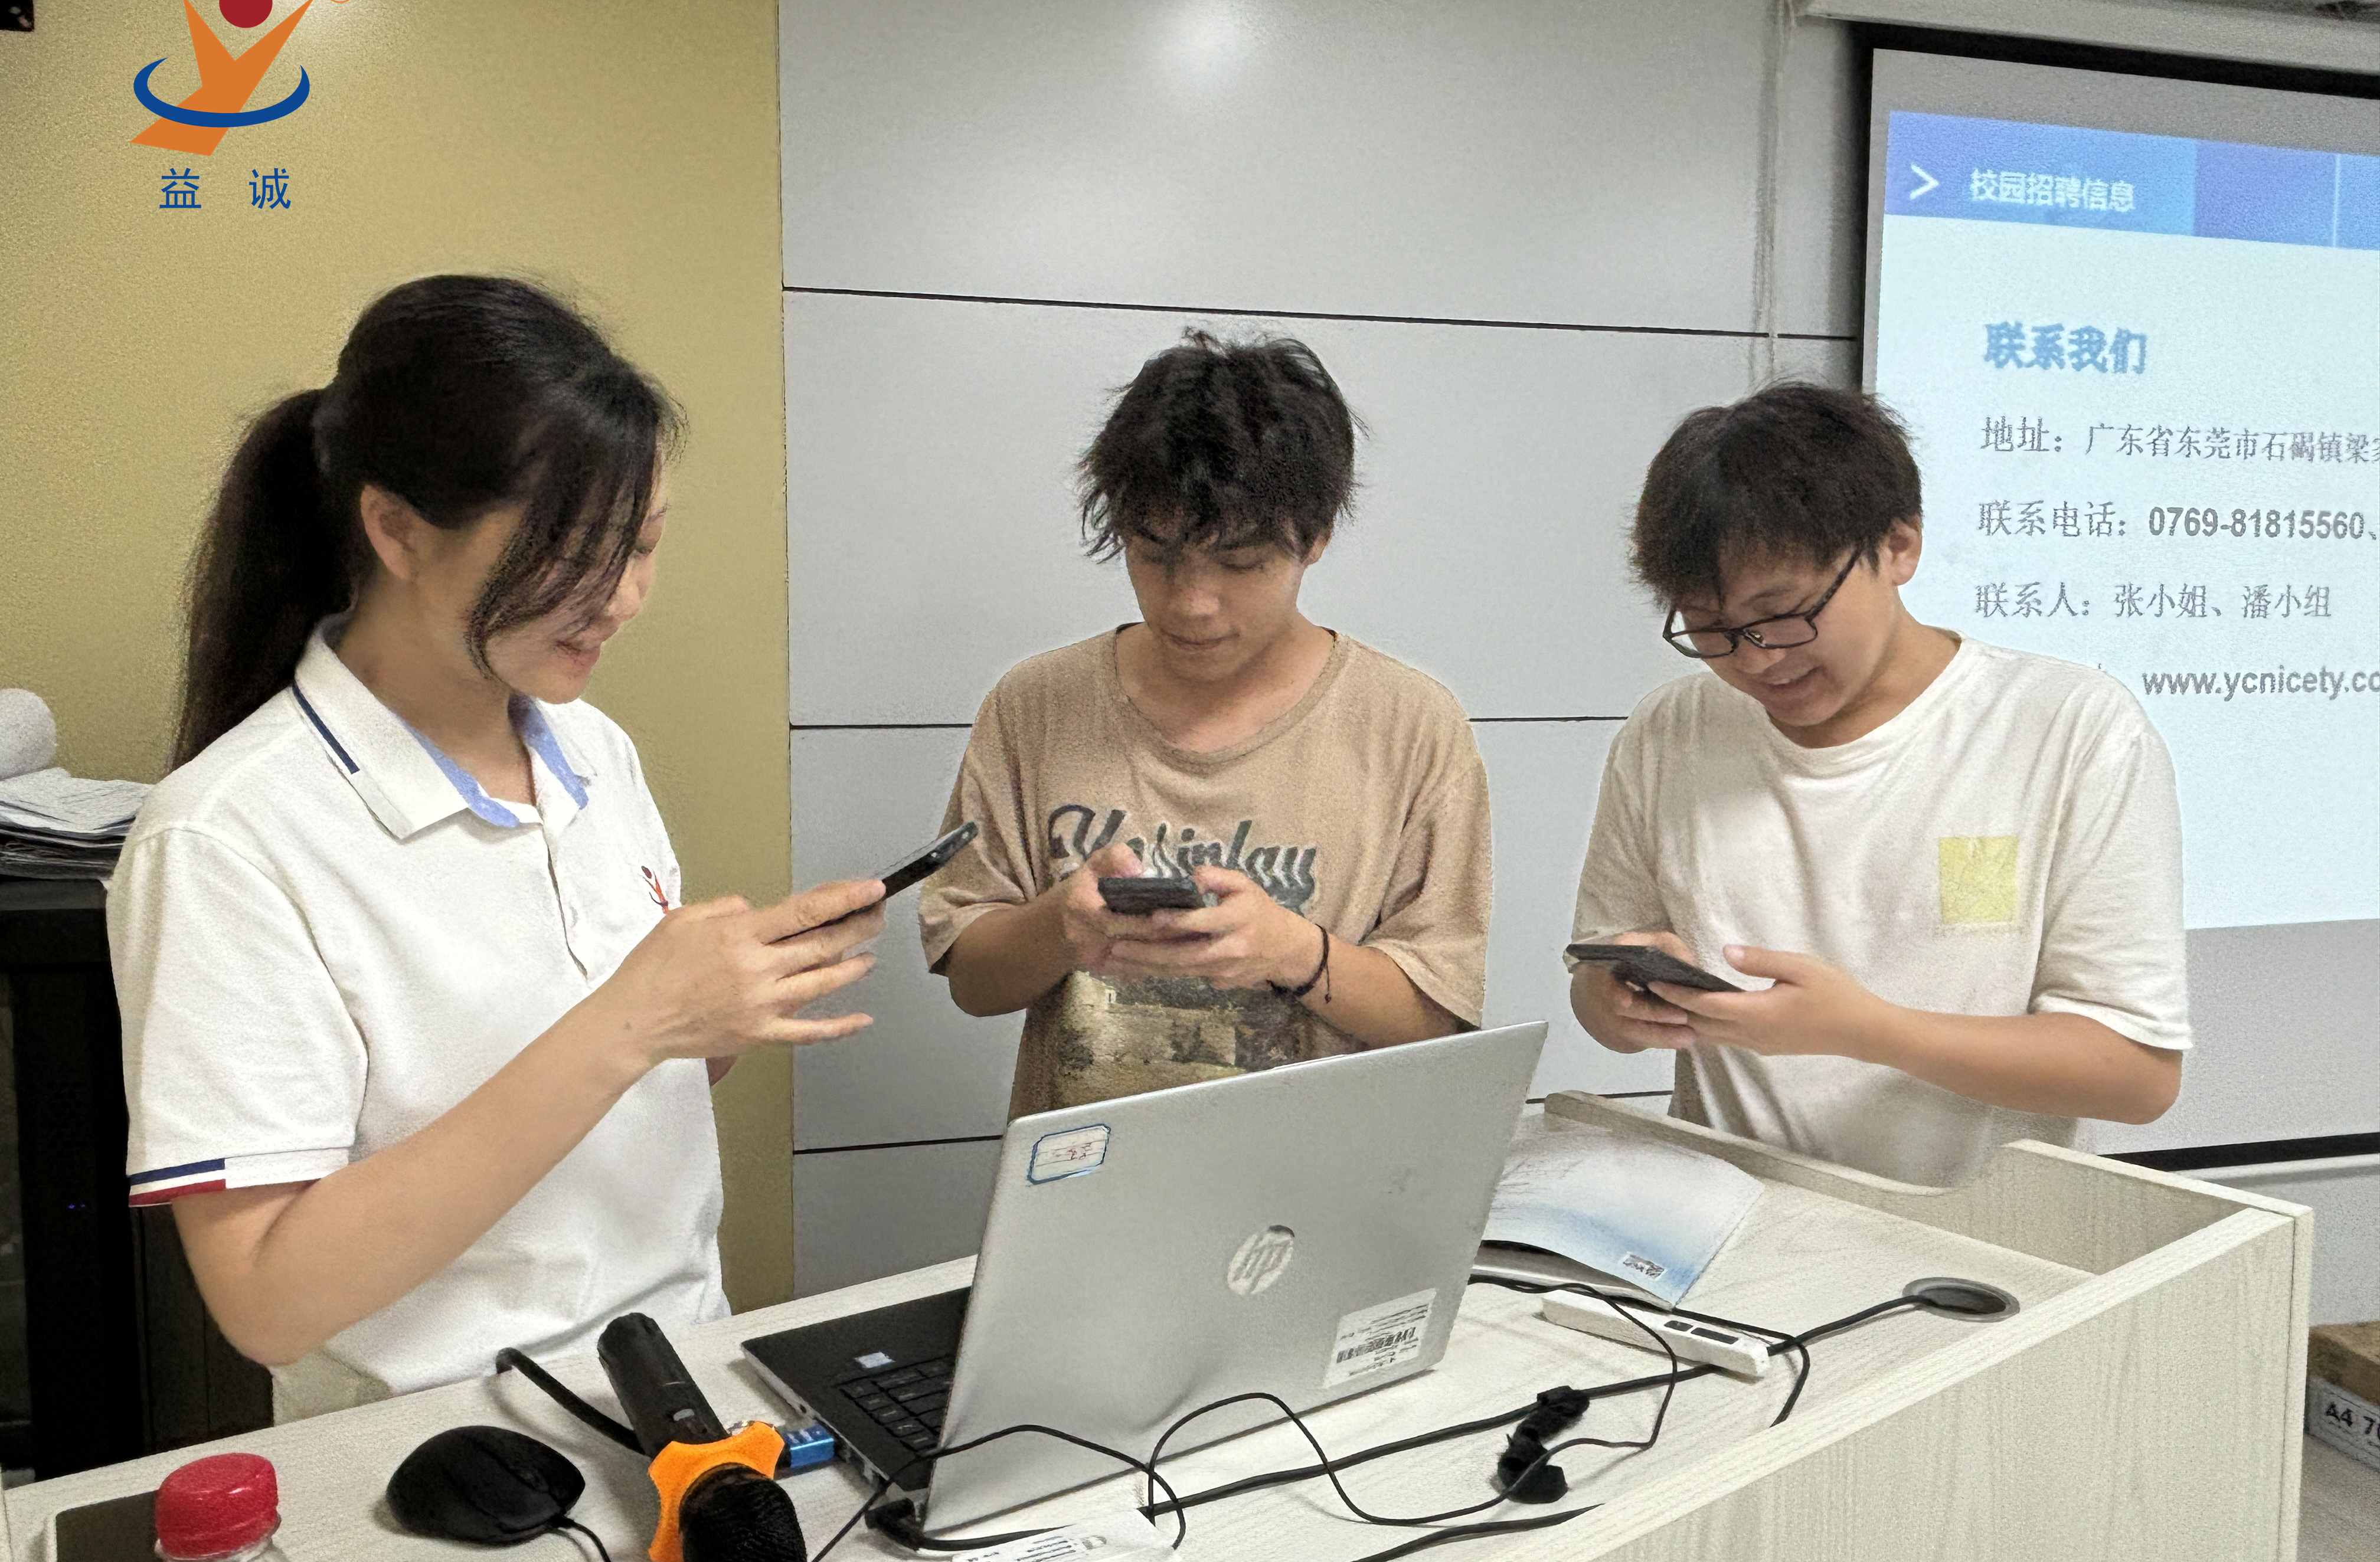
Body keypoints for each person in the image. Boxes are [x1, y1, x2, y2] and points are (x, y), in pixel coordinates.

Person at [111, 276, 885, 1419]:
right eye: (573, 552)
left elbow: (606, 1084)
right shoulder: (225, 837)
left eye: (644, 546)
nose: (622, 599)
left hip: (686, 1379)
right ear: (396, 530)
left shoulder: (593, 751)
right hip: (443, 1446)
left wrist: (712, 1015)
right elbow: (268, 1299)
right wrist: (636, 1020)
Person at [1568, 382, 2188, 1187]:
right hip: (1723, 1217)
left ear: (1899, 546)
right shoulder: (1671, 731)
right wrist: (1614, 1002)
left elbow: (2135, 1075)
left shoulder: (2067, 727)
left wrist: (1864, 1031)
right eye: (1712, 629)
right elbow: (1598, 991)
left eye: (1782, 613)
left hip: (1976, 1237)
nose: (1755, 658)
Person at [918, 330, 1492, 1118]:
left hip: (1318, 1174)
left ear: (1315, 538)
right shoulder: (1035, 706)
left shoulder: (1410, 725)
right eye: (1155, 556)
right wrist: (1063, 926)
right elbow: (973, 984)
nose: (1191, 603)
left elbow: (1438, 1017)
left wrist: (1292, 951)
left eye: (1241, 563)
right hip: (1091, 1172)